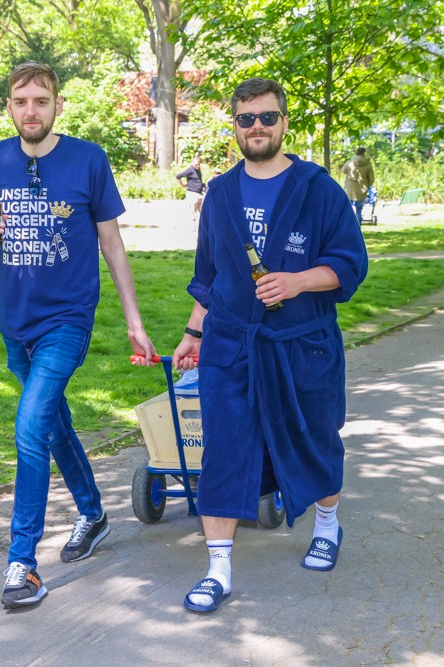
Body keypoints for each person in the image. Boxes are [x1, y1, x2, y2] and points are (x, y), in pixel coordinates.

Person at [0, 61, 157, 609]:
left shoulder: (88, 159)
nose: (31, 111)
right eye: (21, 102)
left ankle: (22, 564)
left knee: (28, 427)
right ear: (10, 108)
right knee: (53, 421)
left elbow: (111, 245)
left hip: (68, 318)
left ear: (57, 104)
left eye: (41, 101)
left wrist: (134, 322)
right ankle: (92, 513)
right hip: (14, 324)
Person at [171, 78, 369, 613]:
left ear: (284, 122)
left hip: (300, 345)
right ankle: (218, 570)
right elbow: (209, 275)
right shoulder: (220, 194)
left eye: (266, 117)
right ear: (234, 127)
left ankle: (327, 526)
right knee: (224, 451)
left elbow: (352, 265)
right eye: (246, 119)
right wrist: (193, 333)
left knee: (314, 440)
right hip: (232, 346)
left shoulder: (318, 189)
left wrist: (299, 281)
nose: (256, 127)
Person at [340, 147, 375, 224]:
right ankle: (358, 226)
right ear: (364, 153)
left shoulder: (350, 162)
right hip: (362, 188)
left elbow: (343, 171)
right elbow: (371, 178)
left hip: (349, 188)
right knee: (359, 210)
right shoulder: (368, 164)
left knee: (347, 208)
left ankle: (346, 224)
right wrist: (368, 186)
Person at [176, 153, 206, 228]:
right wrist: (183, 185)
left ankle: (199, 229)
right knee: (193, 212)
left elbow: (198, 180)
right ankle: (193, 228)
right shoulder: (190, 170)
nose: (198, 166)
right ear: (192, 164)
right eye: (196, 165)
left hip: (199, 193)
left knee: (200, 213)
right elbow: (178, 176)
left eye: (199, 164)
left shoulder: (198, 169)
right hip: (192, 193)